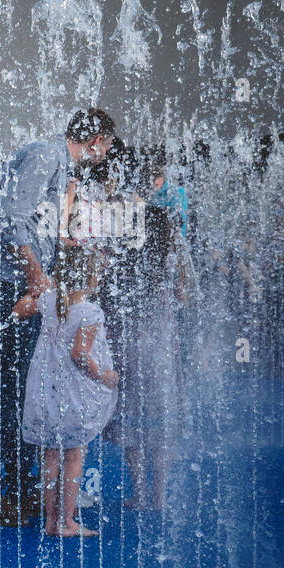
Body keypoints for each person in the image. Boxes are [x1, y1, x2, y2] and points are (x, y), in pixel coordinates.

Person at [0, 107, 117, 527]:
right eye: (105, 146)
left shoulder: (55, 164)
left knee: (22, 392)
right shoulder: (47, 155)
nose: (103, 155)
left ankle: (14, 489)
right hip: (7, 287)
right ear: (96, 140)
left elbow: (31, 224)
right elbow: (11, 218)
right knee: (6, 392)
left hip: (15, 284)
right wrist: (38, 278)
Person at [13, 244, 119, 536]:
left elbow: (18, 310)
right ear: (90, 277)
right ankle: (67, 521)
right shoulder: (89, 311)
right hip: (73, 391)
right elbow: (80, 355)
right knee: (73, 454)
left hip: (45, 388)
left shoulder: (48, 302)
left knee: (49, 455)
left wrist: (37, 292)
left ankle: (50, 521)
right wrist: (105, 376)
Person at [102, 205, 191, 510]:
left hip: (131, 345)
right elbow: (183, 292)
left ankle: (140, 492)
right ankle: (160, 495)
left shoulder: (125, 257)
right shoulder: (170, 256)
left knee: (132, 422)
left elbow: (110, 298)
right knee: (160, 422)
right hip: (162, 346)